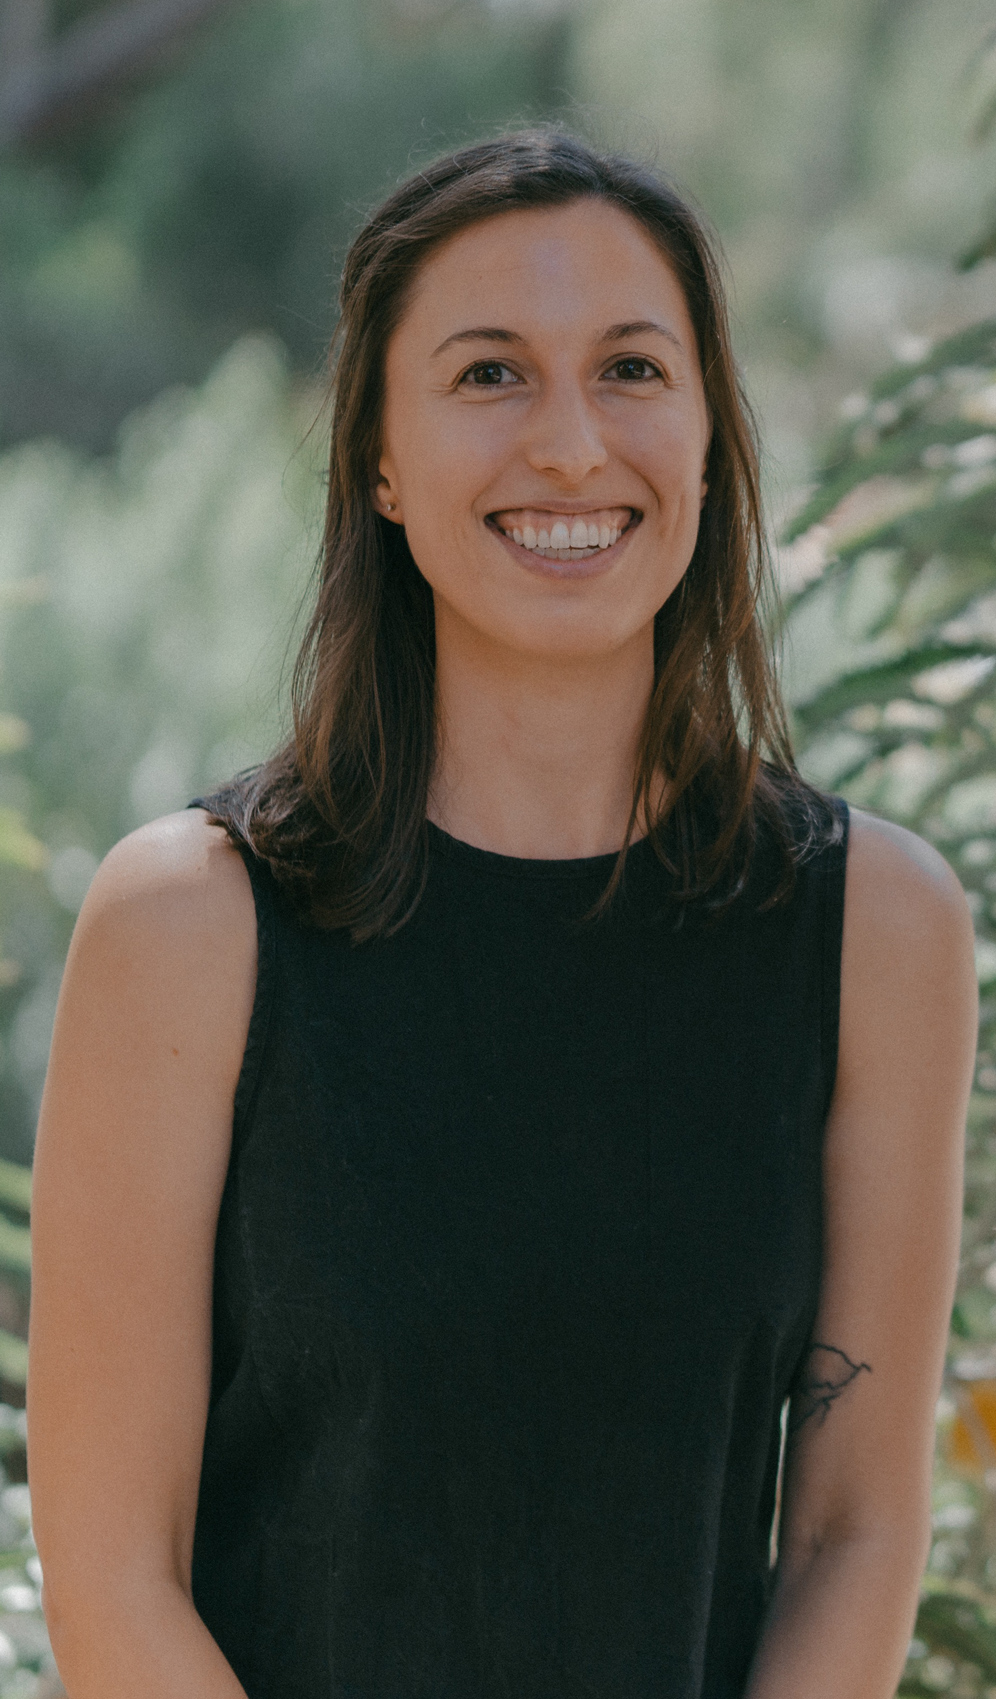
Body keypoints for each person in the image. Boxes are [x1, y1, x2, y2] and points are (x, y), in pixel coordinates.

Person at [27, 131, 977, 1699]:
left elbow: (856, 1536)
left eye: (630, 369)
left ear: (708, 439)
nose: (571, 445)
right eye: (488, 375)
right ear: (381, 462)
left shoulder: (878, 929)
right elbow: (114, 1570)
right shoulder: (191, 924)